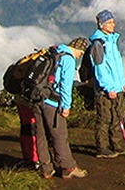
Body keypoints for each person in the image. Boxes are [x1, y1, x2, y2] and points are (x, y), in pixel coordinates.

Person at [35, 38, 91, 179]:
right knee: (59, 135)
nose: (80, 56)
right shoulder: (68, 59)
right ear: (79, 49)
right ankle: (67, 167)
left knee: (41, 134)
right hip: (53, 103)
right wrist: (66, 106)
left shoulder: (53, 52)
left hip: (38, 98)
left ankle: (45, 168)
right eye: (81, 52)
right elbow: (66, 86)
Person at [88, 10, 125, 159]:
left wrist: (122, 83)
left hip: (117, 87)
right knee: (105, 118)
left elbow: (116, 66)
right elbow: (100, 69)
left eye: (113, 21)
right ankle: (102, 147)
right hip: (104, 89)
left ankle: (117, 144)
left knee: (117, 116)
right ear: (101, 24)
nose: (113, 25)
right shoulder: (99, 44)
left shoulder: (111, 41)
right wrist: (108, 87)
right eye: (110, 22)